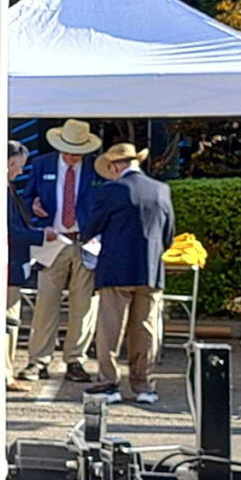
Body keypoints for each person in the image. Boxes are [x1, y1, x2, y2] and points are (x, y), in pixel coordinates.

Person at [78, 141, 176, 404]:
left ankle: (108, 383)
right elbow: (169, 235)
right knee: (145, 328)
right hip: (150, 270)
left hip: (116, 269)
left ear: (114, 166)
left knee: (111, 328)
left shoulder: (111, 190)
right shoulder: (161, 190)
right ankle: (143, 385)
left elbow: (89, 230)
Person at [18, 119, 103, 382]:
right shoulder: (42, 164)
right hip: (52, 240)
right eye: (67, 151)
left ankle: (75, 360)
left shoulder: (95, 167)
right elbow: (27, 197)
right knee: (45, 302)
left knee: (84, 305)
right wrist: (34, 206)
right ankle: (38, 360)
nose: (71, 157)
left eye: (76, 152)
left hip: (85, 241)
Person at [5, 140, 39, 384]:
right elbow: (11, 231)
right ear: (10, 163)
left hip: (14, 266)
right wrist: (43, 236)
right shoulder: (0, 190)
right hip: (8, 268)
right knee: (8, 322)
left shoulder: (7, 189)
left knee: (10, 321)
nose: (20, 171)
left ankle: (6, 372)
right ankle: (5, 374)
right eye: (19, 167)